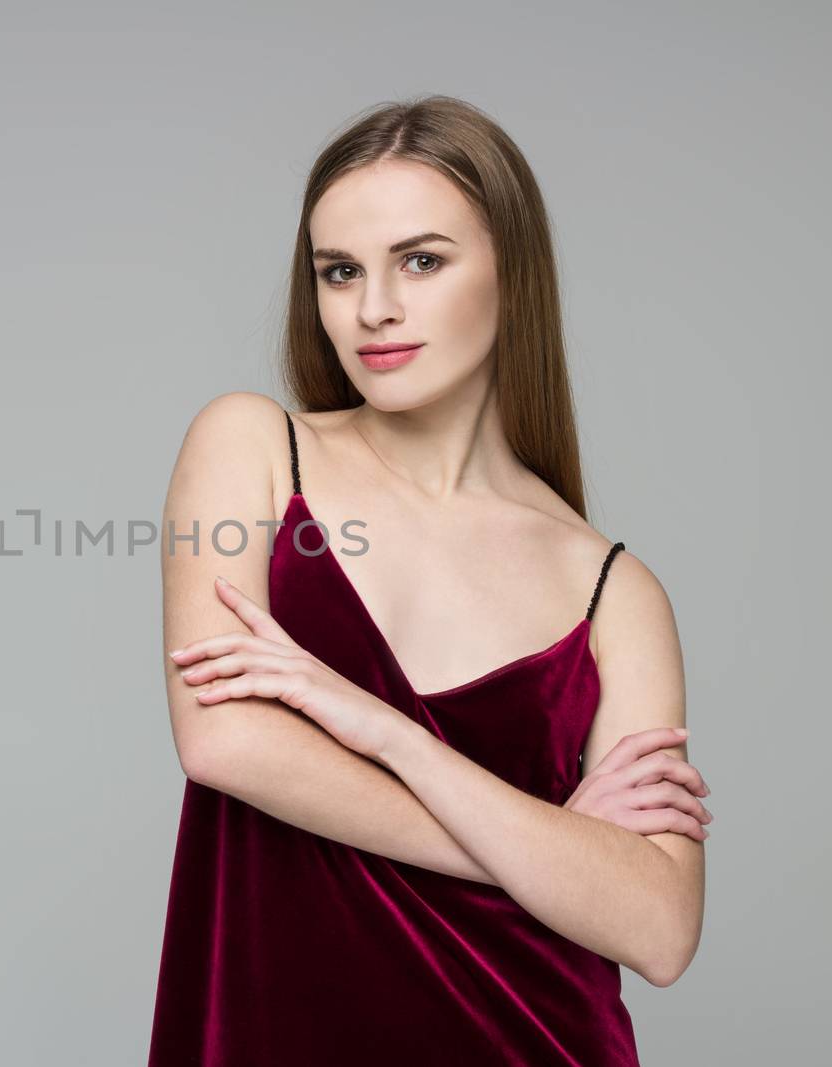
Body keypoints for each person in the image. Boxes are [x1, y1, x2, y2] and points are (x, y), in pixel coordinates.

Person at [147, 96, 710, 1066]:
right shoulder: (249, 444)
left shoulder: (613, 590)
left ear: (510, 270)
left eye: (421, 259)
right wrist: (540, 847)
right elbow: (223, 739)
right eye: (339, 271)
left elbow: (657, 927)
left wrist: (385, 734)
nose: (372, 308)